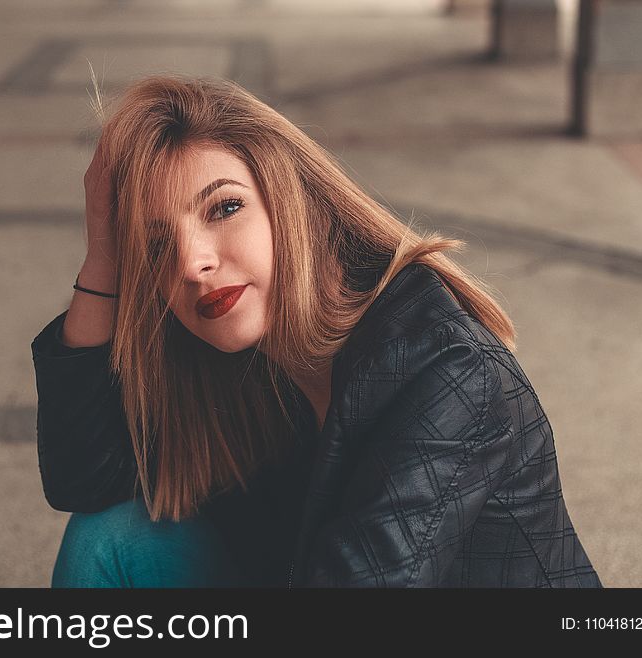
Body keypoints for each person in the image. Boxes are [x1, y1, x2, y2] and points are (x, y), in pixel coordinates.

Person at [30, 74, 603, 588]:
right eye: (156, 245)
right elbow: (84, 480)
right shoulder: (233, 353)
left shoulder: (447, 369)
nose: (191, 263)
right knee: (112, 537)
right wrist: (103, 256)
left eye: (223, 209)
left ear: (291, 202)